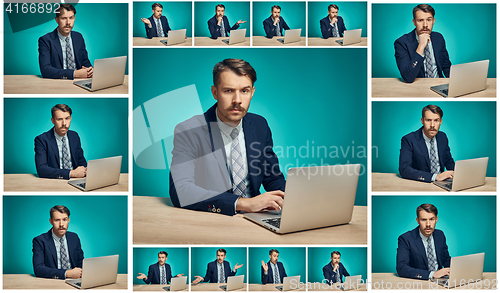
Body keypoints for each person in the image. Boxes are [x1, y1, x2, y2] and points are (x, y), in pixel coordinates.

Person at [169, 59, 286, 216]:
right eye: (228, 91)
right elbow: (180, 190)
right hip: (212, 219)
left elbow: (272, 177)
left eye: (244, 91)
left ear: (252, 92)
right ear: (215, 92)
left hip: (256, 219)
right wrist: (242, 203)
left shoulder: (260, 125)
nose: (237, 100)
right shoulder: (189, 131)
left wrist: (294, 199)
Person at [394, 4, 451, 83]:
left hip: (438, 84)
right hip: (417, 87)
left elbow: (446, 67)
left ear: (433, 21)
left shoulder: (439, 38)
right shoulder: (402, 43)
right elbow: (408, 77)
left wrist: (455, 83)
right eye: (420, 20)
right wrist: (420, 47)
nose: (425, 25)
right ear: (414, 22)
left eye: (429, 20)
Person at [399, 105, 454, 183]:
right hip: (420, 183)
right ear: (422, 121)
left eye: (436, 120)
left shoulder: (443, 137)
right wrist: (435, 177)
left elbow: (449, 162)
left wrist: (458, 174)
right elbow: (404, 169)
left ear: (440, 122)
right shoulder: (408, 140)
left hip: (441, 183)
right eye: (428, 120)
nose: (432, 125)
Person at [396, 204, 451, 280]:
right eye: (423, 220)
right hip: (418, 281)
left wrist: (454, 271)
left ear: (436, 219)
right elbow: (401, 268)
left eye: (431, 219)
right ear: (418, 220)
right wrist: (433, 274)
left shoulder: (440, 235)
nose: (428, 224)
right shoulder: (405, 239)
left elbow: (446, 260)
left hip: (440, 280)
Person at [38, 4, 93, 80]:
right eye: (64, 18)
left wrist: (90, 70)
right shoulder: (45, 40)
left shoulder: (78, 37)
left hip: (79, 81)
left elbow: (85, 62)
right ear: (57, 20)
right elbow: (45, 70)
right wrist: (74, 73)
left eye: (71, 18)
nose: (68, 22)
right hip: (58, 82)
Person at [34, 104, 87, 180]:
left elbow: (81, 161)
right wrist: (71, 173)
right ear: (53, 121)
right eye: (59, 119)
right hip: (54, 181)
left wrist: (86, 170)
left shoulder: (74, 136)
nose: (64, 123)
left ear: (70, 119)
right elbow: (42, 170)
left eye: (67, 118)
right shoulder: (41, 140)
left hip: (75, 180)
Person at [32, 205, 84, 279]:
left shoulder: (74, 237)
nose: (61, 224)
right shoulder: (40, 241)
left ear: (68, 220)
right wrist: (67, 273)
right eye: (57, 220)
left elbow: (81, 262)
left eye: (64, 220)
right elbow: (38, 269)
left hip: (74, 280)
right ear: (51, 221)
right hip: (52, 281)